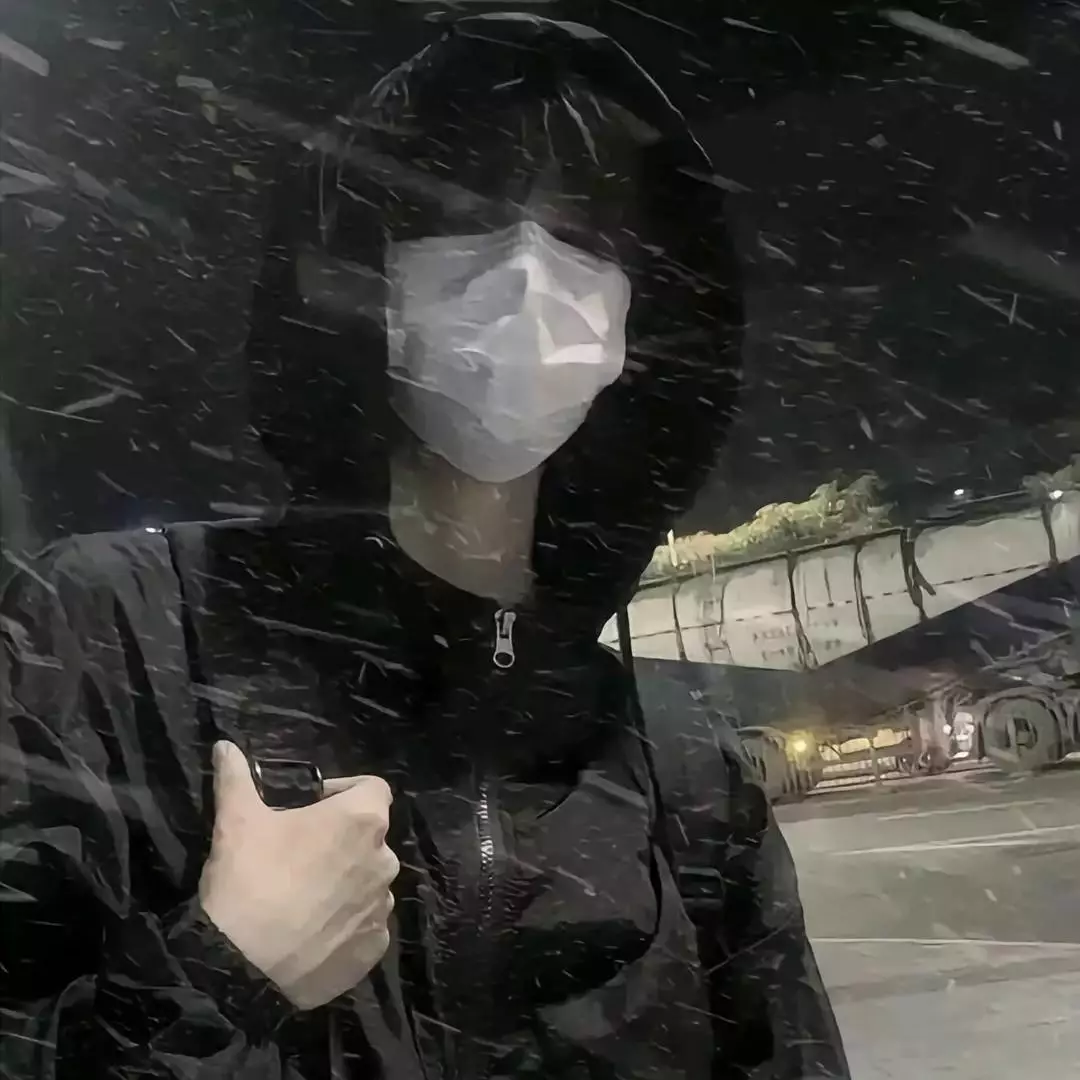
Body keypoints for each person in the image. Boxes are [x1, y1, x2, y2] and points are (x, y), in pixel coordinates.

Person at [0, 14, 849, 1079]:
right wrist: (215, 979)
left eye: (586, 238)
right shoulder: (118, 643)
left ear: (647, 310)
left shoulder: (685, 771)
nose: (531, 275)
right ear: (357, 274)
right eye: (467, 217)